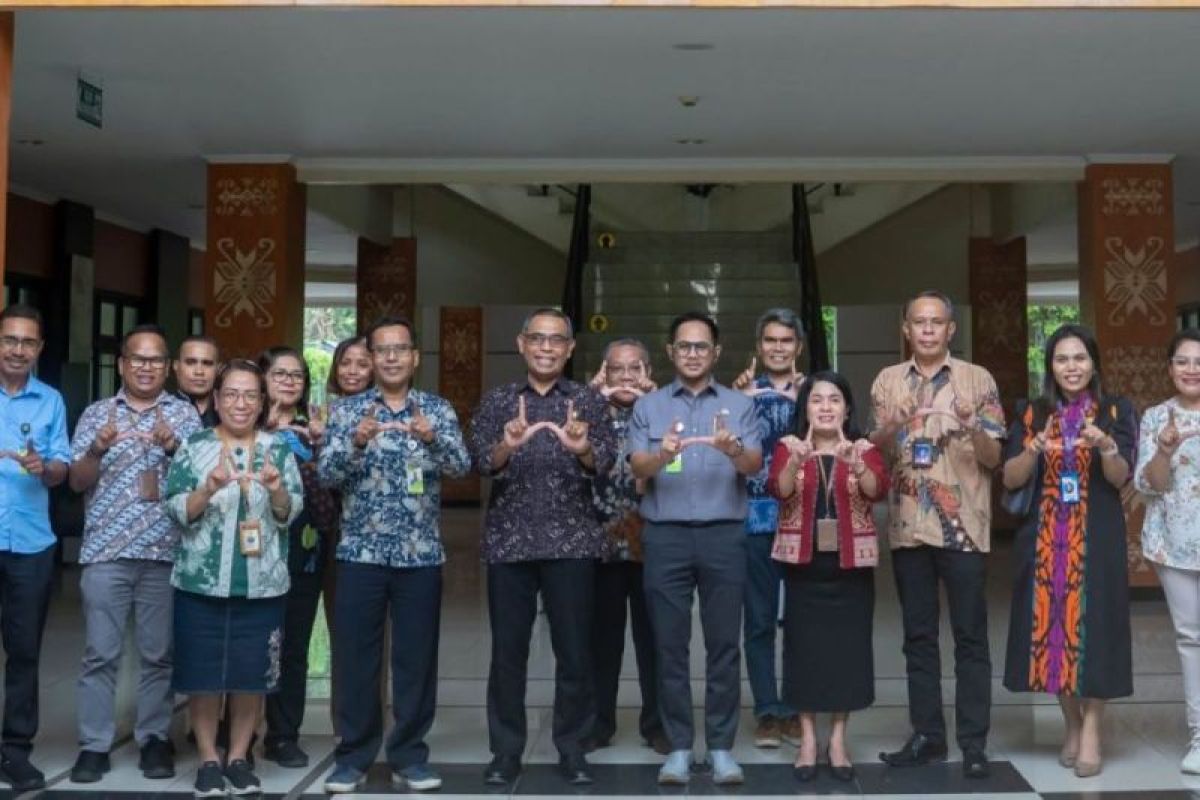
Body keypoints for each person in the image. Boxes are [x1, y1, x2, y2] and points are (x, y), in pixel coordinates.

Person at [319, 316, 470, 793]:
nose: (389, 357)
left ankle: (409, 754)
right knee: (357, 659)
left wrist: (433, 438)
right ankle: (353, 756)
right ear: (372, 356)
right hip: (360, 554)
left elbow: (463, 465)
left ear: (414, 357)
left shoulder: (436, 409)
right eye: (381, 350)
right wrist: (356, 443)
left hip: (420, 557)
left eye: (399, 349)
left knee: (415, 660)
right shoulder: (347, 411)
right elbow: (327, 475)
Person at [469, 308, 614, 787]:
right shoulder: (499, 401)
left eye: (556, 340)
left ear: (570, 348)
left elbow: (606, 462)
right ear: (522, 344)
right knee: (508, 654)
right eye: (538, 339)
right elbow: (479, 462)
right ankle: (506, 751)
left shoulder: (588, 402)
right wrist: (507, 445)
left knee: (574, 652)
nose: (547, 348)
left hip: (572, 542)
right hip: (510, 544)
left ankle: (572, 748)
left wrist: (583, 450)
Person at [871, 290, 1004, 779]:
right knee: (918, 637)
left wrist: (972, 426)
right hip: (909, 527)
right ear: (906, 328)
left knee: (971, 639)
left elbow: (993, 460)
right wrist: (890, 426)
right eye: (918, 322)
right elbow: (875, 458)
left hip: (965, 528)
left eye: (937, 322)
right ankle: (927, 735)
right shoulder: (887, 381)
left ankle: (973, 742)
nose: (927, 330)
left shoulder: (977, 379)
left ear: (951, 329)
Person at [629, 311, 763, 786]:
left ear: (716, 353)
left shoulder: (738, 404)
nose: (692, 354)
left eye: (701, 346)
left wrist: (732, 450)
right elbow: (638, 466)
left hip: (724, 536)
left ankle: (722, 747)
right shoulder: (649, 407)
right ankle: (680, 747)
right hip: (665, 537)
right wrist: (663, 453)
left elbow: (753, 464)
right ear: (670, 352)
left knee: (725, 645)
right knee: (669, 646)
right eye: (684, 346)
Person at [164, 359, 304, 798]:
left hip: (262, 584)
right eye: (231, 395)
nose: (240, 403)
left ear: (262, 401)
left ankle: (240, 756)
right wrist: (208, 487)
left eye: (250, 395)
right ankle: (208, 757)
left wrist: (277, 488)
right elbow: (176, 509)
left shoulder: (278, 448)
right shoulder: (194, 445)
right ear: (218, 400)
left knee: (251, 676)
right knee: (204, 676)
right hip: (200, 584)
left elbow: (289, 512)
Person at [67, 324, 201, 783]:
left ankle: (154, 740)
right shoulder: (96, 414)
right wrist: (99, 448)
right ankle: (94, 745)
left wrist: (172, 447)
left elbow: (203, 485)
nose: (146, 367)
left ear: (169, 368)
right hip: (106, 553)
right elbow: (76, 482)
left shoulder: (184, 418)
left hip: (166, 554)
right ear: (122, 364)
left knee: (158, 654)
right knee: (100, 654)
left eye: (156, 360)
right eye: (137, 359)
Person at [768, 372, 887, 783]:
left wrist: (857, 464)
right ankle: (807, 739)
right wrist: (797, 462)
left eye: (834, 400)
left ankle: (837, 738)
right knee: (804, 652)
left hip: (850, 567)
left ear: (847, 408)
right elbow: (779, 490)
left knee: (847, 654)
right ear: (805, 408)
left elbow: (877, 490)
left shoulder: (864, 448)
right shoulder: (788, 447)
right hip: (802, 567)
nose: (825, 407)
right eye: (816, 400)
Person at [586, 338, 668, 756]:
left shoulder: (664, 413)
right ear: (604, 373)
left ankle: (657, 723)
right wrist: (591, 399)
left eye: (635, 369)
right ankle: (598, 721)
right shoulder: (587, 413)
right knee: (602, 639)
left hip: (653, 542)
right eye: (616, 369)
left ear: (648, 372)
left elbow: (680, 467)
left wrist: (658, 409)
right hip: (599, 544)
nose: (626, 377)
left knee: (655, 638)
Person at [0, 304, 69, 791]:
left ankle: (15, 751)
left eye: (27, 342)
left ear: (39, 349)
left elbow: (64, 466)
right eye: (9, 340)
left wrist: (45, 468)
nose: (17, 350)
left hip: (30, 543)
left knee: (23, 652)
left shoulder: (52, 401)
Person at [259, 347, 339, 769]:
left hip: (303, 552)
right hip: (252, 554)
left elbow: (329, 492)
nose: (290, 381)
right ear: (263, 378)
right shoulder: (244, 423)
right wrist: (265, 435)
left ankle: (283, 734)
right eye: (280, 374)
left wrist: (323, 446)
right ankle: (233, 733)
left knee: (293, 647)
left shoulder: (315, 429)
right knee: (252, 644)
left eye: (297, 375)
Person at [731, 308, 805, 748]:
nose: (778, 347)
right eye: (771, 340)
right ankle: (766, 711)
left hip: (802, 519)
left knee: (799, 620)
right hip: (754, 518)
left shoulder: (816, 391)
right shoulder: (741, 392)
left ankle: (796, 708)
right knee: (758, 619)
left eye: (786, 340)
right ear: (759, 347)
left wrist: (804, 402)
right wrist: (739, 403)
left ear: (798, 347)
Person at [1137, 328, 1200, 774]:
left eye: (1198, 362)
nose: (1191, 370)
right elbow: (1151, 485)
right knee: (1191, 638)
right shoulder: (1156, 418)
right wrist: (1163, 450)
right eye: (1182, 361)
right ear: (1170, 367)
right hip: (1173, 545)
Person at [173, 335, 221, 428]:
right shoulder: (158, 410)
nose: (199, 372)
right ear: (176, 366)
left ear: (218, 369)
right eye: (190, 362)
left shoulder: (231, 412)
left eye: (207, 363)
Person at [326, 335, 373, 402]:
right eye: (345, 363)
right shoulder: (325, 410)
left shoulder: (381, 410)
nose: (352, 371)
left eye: (362, 365)